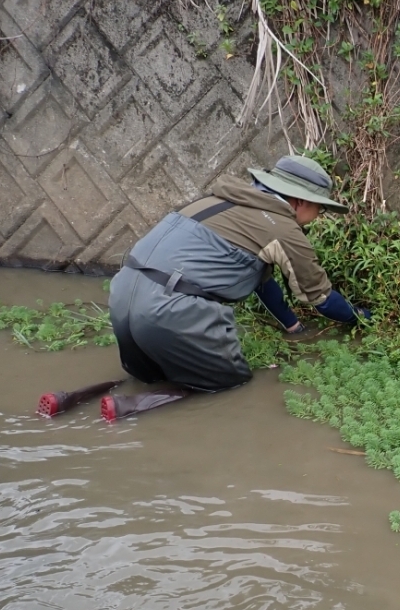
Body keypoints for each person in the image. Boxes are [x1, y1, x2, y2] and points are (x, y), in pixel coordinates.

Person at [105, 155, 368, 416]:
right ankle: (132, 406)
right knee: (231, 386)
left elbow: (260, 282)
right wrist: (363, 318)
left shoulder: (213, 202)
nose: (319, 216)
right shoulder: (284, 231)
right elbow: (321, 298)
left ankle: (124, 395)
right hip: (172, 312)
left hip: (121, 298)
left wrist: (293, 326)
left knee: (150, 376)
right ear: (300, 201)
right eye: (319, 208)